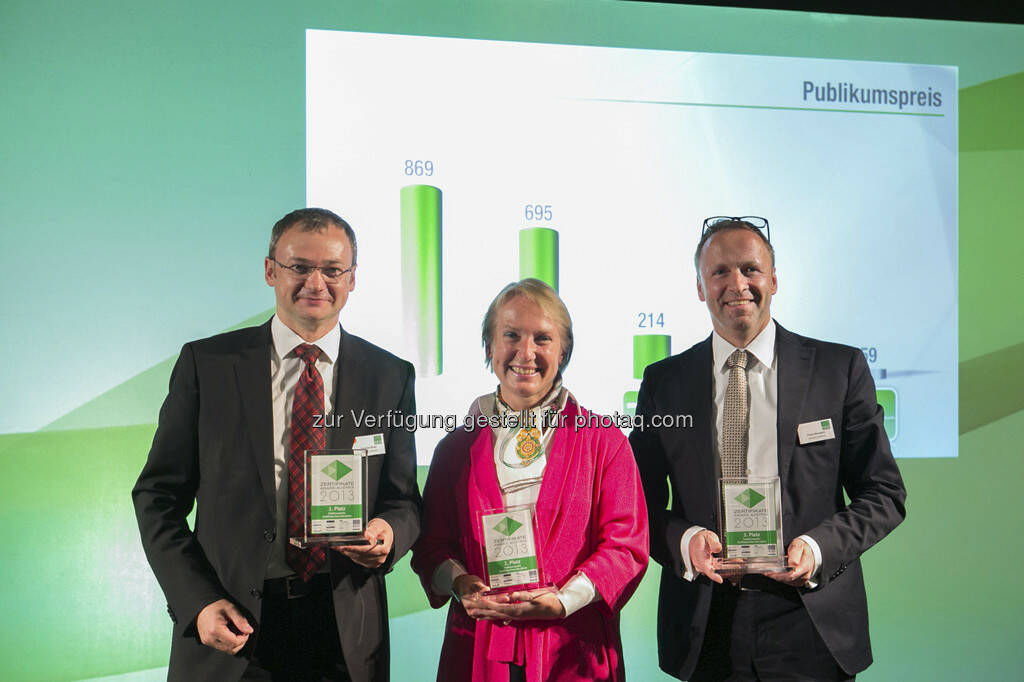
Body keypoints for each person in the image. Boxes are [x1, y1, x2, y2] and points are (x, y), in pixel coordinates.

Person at [132, 208, 420, 682]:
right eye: (299, 267)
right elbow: (157, 498)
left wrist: (389, 532)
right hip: (231, 626)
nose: (316, 282)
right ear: (270, 271)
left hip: (343, 634)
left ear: (352, 279)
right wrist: (197, 601)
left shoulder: (389, 376)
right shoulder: (209, 365)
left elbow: (403, 499)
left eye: (332, 270)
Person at [629, 217, 907, 681]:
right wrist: (684, 541)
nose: (736, 284)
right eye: (719, 272)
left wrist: (818, 548)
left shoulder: (838, 370)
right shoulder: (664, 382)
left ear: (773, 280)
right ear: (700, 287)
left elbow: (883, 493)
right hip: (705, 621)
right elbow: (638, 502)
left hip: (810, 622)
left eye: (750, 269)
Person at [411, 278, 648, 682]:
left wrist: (562, 601)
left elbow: (625, 548)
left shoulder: (604, 442)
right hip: (480, 648)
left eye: (542, 338)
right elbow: (432, 545)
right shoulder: (455, 449)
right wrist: (461, 581)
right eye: (511, 335)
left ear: (563, 350)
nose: (526, 353)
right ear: (489, 347)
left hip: (574, 650)